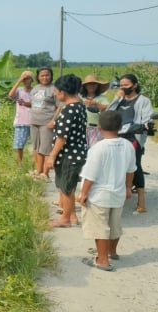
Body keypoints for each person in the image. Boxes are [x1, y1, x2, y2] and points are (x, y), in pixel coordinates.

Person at [78, 111, 136, 271]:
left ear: (99, 126)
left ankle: (102, 259)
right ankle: (112, 251)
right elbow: (131, 169)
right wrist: (127, 187)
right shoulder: (128, 145)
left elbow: (90, 175)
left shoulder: (98, 148)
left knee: (100, 227)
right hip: (118, 193)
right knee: (114, 224)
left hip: (99, 195)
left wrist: (83, 193)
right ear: (120, 127)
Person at [106, 73, 154, 215]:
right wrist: (117, 98)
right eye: (121, 85)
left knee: (135, 166)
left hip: (134, 138)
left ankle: (141, 202)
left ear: (135, 85)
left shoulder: (143, 101)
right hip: (116, 137)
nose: (123, 87)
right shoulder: (119, 100)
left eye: (126, 85)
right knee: (112, 166)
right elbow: (108, 114)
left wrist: (142, 126)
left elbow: (146, 119)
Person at [45, 74, 87, 228]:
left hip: (69, 154)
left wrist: (51, 156)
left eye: (56, 92)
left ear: (63, 92)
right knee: (68, 185)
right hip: (77, 152)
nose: (56, 94)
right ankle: (71, 216)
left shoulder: (69, 109)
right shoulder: (79, 105)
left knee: (67, 187)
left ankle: (65, 219)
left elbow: (61, 138)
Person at [29, 66, 59, 181]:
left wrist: (53, 120)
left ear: (51, 76)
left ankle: (45, 173)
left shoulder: (54, 89)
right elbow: (32, 104)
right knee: (36, 148)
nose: (45, 77)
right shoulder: (35, 88)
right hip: (34, 121)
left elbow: (59, 106)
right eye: (42, 75)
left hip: (47, 122)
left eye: (47, 75)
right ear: (38, 77)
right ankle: (38, 170)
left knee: (46, 148)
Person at [8, 70, 34, 166]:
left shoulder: (35, 91)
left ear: (32, 80)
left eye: (28, 79)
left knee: (36, 145)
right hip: (21, 121)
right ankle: (20, 164)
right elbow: (10, 95)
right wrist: (19, 80)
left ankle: (35, 164)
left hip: (34, 122)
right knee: (19, 146)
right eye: (24, 79)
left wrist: (26, 103)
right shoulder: (19, 90)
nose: (26, 81)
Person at [80, 74, 110, 148]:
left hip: (96, 128)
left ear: (97, 86)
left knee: (95, 150)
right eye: (89, 84)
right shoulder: (80, 97)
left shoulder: (102, 98)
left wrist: (96, 104)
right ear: (85, 86)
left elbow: (108, 109)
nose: (91, 86)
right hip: (82, 128)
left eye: (94, 84)